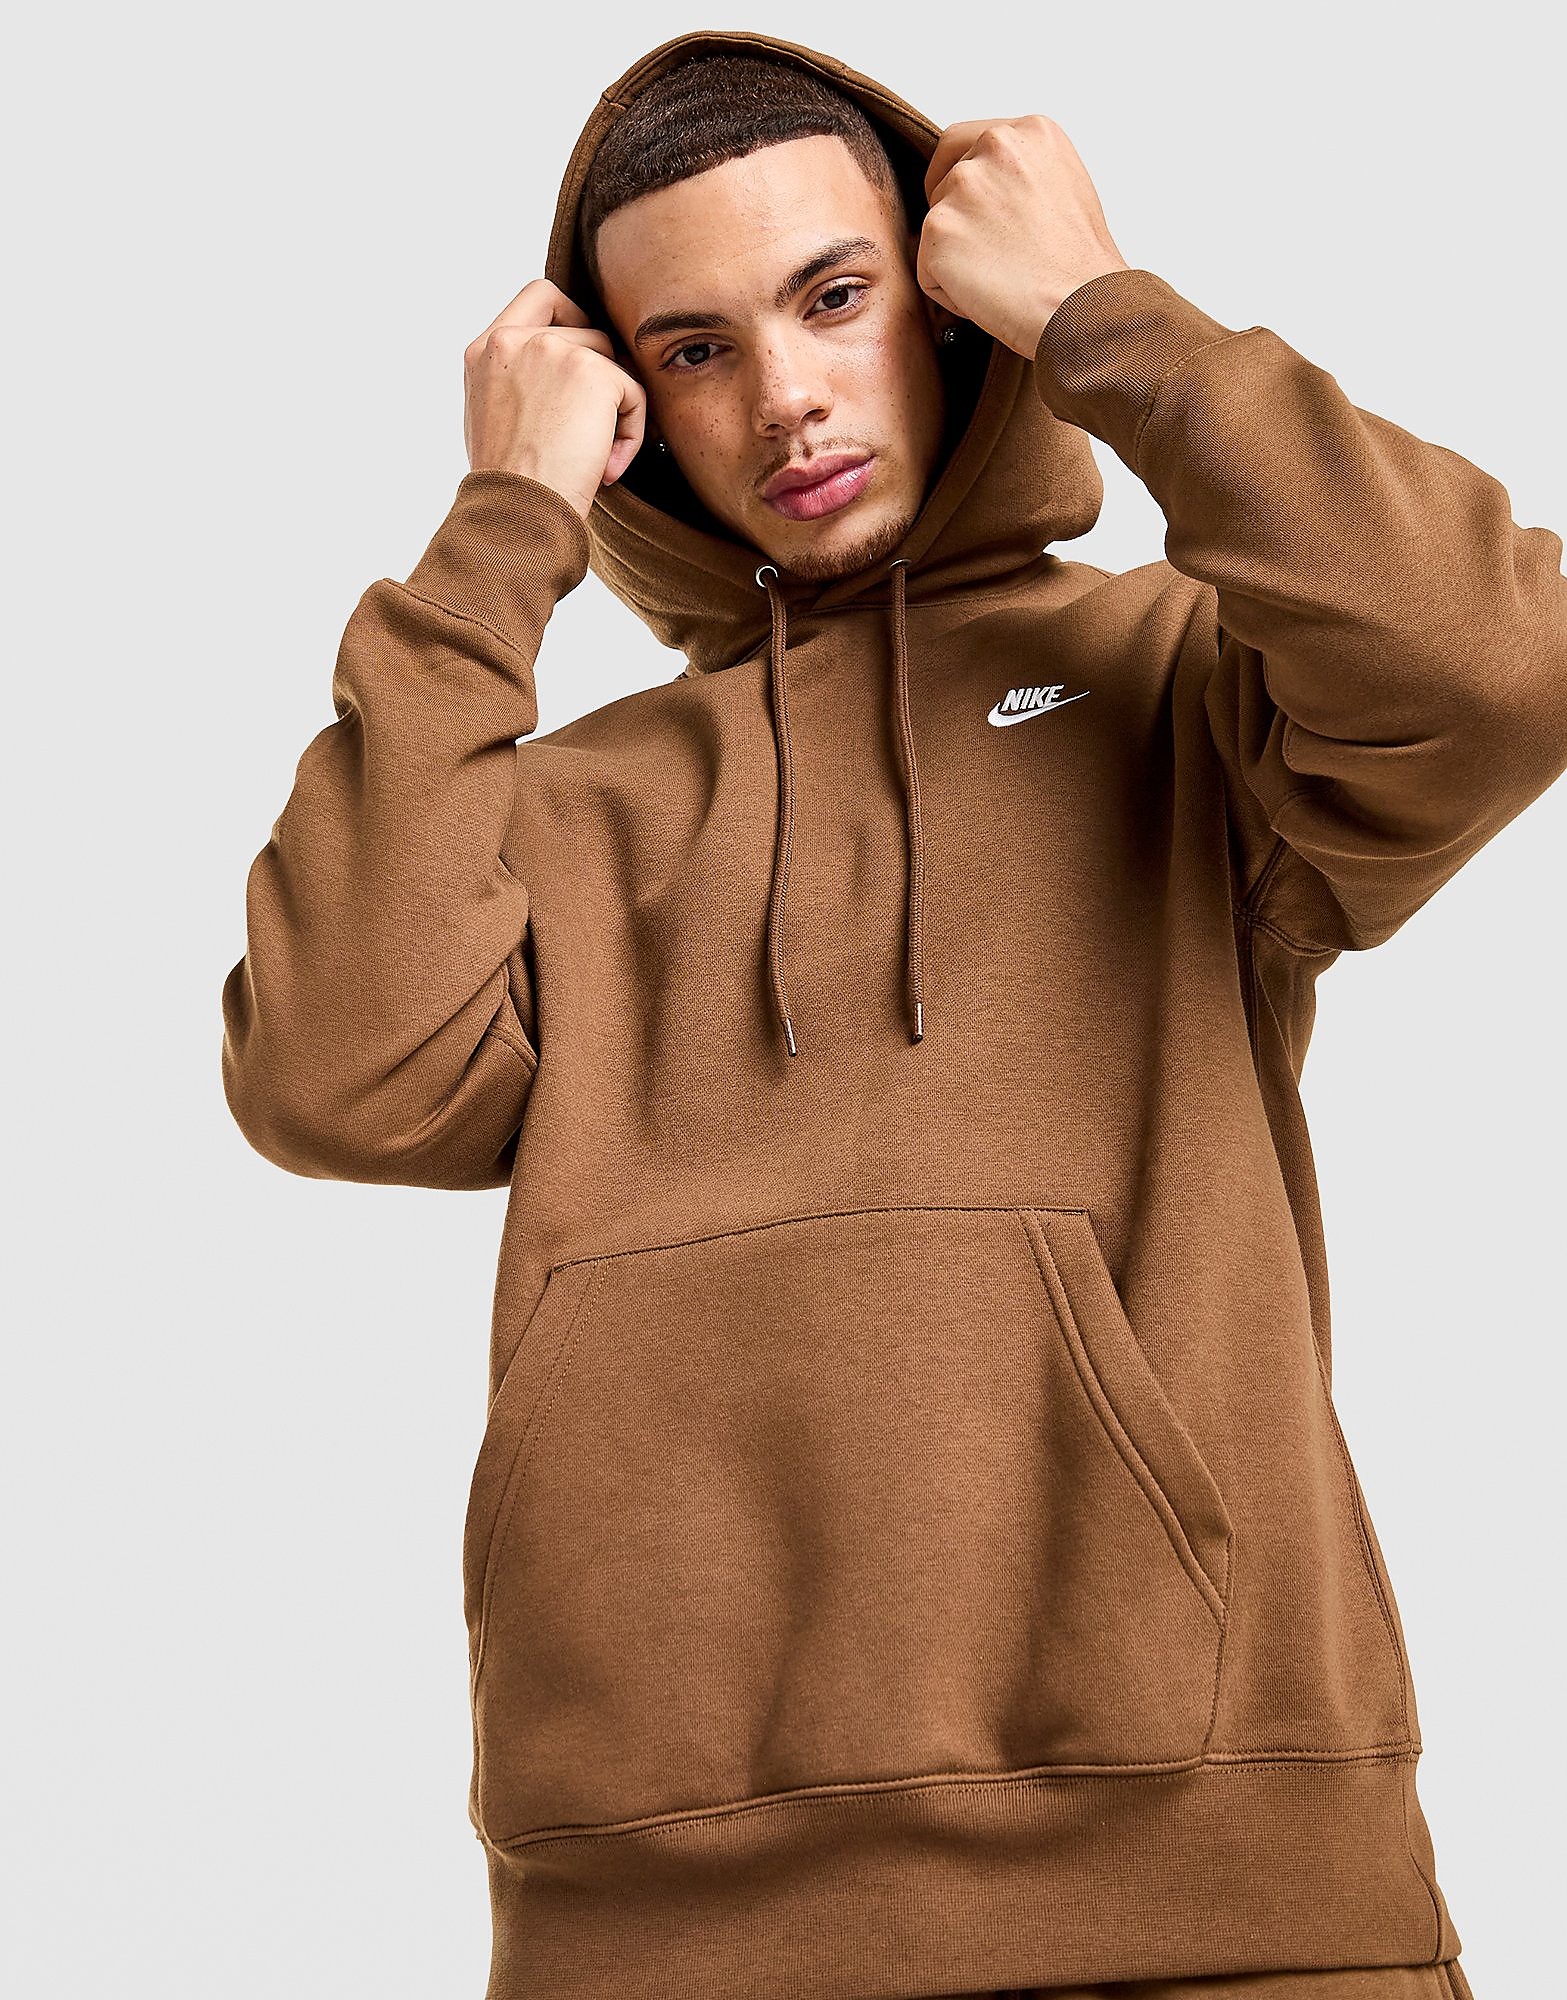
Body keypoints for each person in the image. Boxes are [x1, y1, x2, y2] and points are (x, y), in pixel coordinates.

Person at [217, 26, 1560, 2000]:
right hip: (660, 1922)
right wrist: (501, 525)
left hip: (1223, 1894)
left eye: (832, 298)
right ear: (627, 411)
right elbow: (333, 1076)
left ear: (942, 309)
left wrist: (1110, 316)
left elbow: (1499, 671)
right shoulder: (559, 810)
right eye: (694, 349)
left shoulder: (1185, 684)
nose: (783, 397)